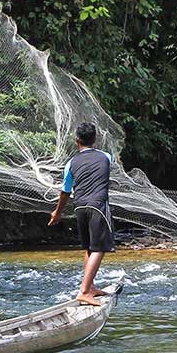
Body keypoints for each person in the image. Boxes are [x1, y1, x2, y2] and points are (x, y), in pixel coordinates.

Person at [48, 121, 115, 306]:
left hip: (80, 207)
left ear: (77, 141)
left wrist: (57, 213)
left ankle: (90, 286)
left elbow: (65, 191)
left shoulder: (71, 162)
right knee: (100, 248)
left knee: (88, 248)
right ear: (95, 139)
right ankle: (84, 291)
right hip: (98, 206)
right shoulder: (106, 156)